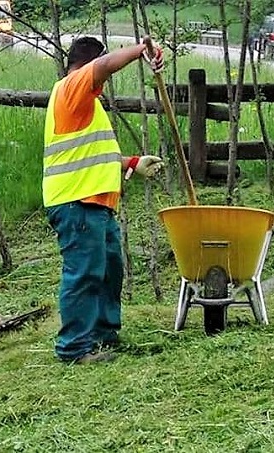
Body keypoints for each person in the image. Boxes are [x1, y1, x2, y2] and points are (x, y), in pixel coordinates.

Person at [43, 37, 165, 364]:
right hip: (76, 202)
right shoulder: (72, 87)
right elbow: (103, 67)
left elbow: (91, 152)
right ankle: (73, 349)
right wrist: (141, 50)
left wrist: (130, 163)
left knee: (111, 269)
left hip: (97, 204)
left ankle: (103, 336)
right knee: (83, 274)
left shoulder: (86, 103)